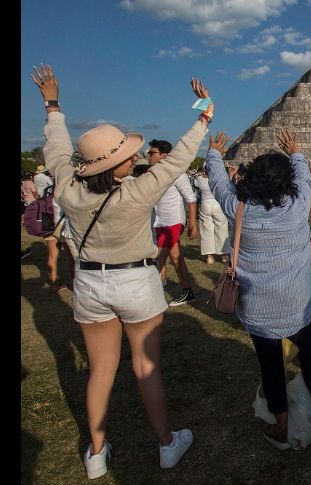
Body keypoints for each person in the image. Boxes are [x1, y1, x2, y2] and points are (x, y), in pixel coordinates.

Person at [32, 65, 210, 478]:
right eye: (127, 154)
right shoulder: (137, 192)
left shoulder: (67, 188)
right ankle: (167, 443)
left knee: (101, 370)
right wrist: (204, 112)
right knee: (146, 368)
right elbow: (180, 157)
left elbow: (56, 151)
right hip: (137, 281)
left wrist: (53, 104)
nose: (135, 156)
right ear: (115, 164)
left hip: (91, 282)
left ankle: (96, 452)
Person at [205, 130, 311, 450]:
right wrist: (296, 152)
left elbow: (217, 182)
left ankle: (281, 425)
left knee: (270, 365)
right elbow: (304, 177)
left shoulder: (238, 208)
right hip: (298, 300)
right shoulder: (297, 205)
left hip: (258, 305)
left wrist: (213, 154)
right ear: (285, 183)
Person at [148, 139, 199, 305]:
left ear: (164, 155)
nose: (149, 156)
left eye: (152, 153)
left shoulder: (177, 173)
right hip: (158, 222)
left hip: (173, 222)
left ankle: (155, 293)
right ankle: (187, 291)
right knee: (176, 258)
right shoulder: (153, 173)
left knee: (157, 259)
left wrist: (192, 223)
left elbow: (191, 199)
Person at [194, 168, 230, 264]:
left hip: (205, 204)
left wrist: (200, 174)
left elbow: (195, 183)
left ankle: (209, 256)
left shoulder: (200, 179)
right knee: (222, 229)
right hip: (217, 204)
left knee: (206, 230)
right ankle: (224, 255)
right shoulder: (218, 179)